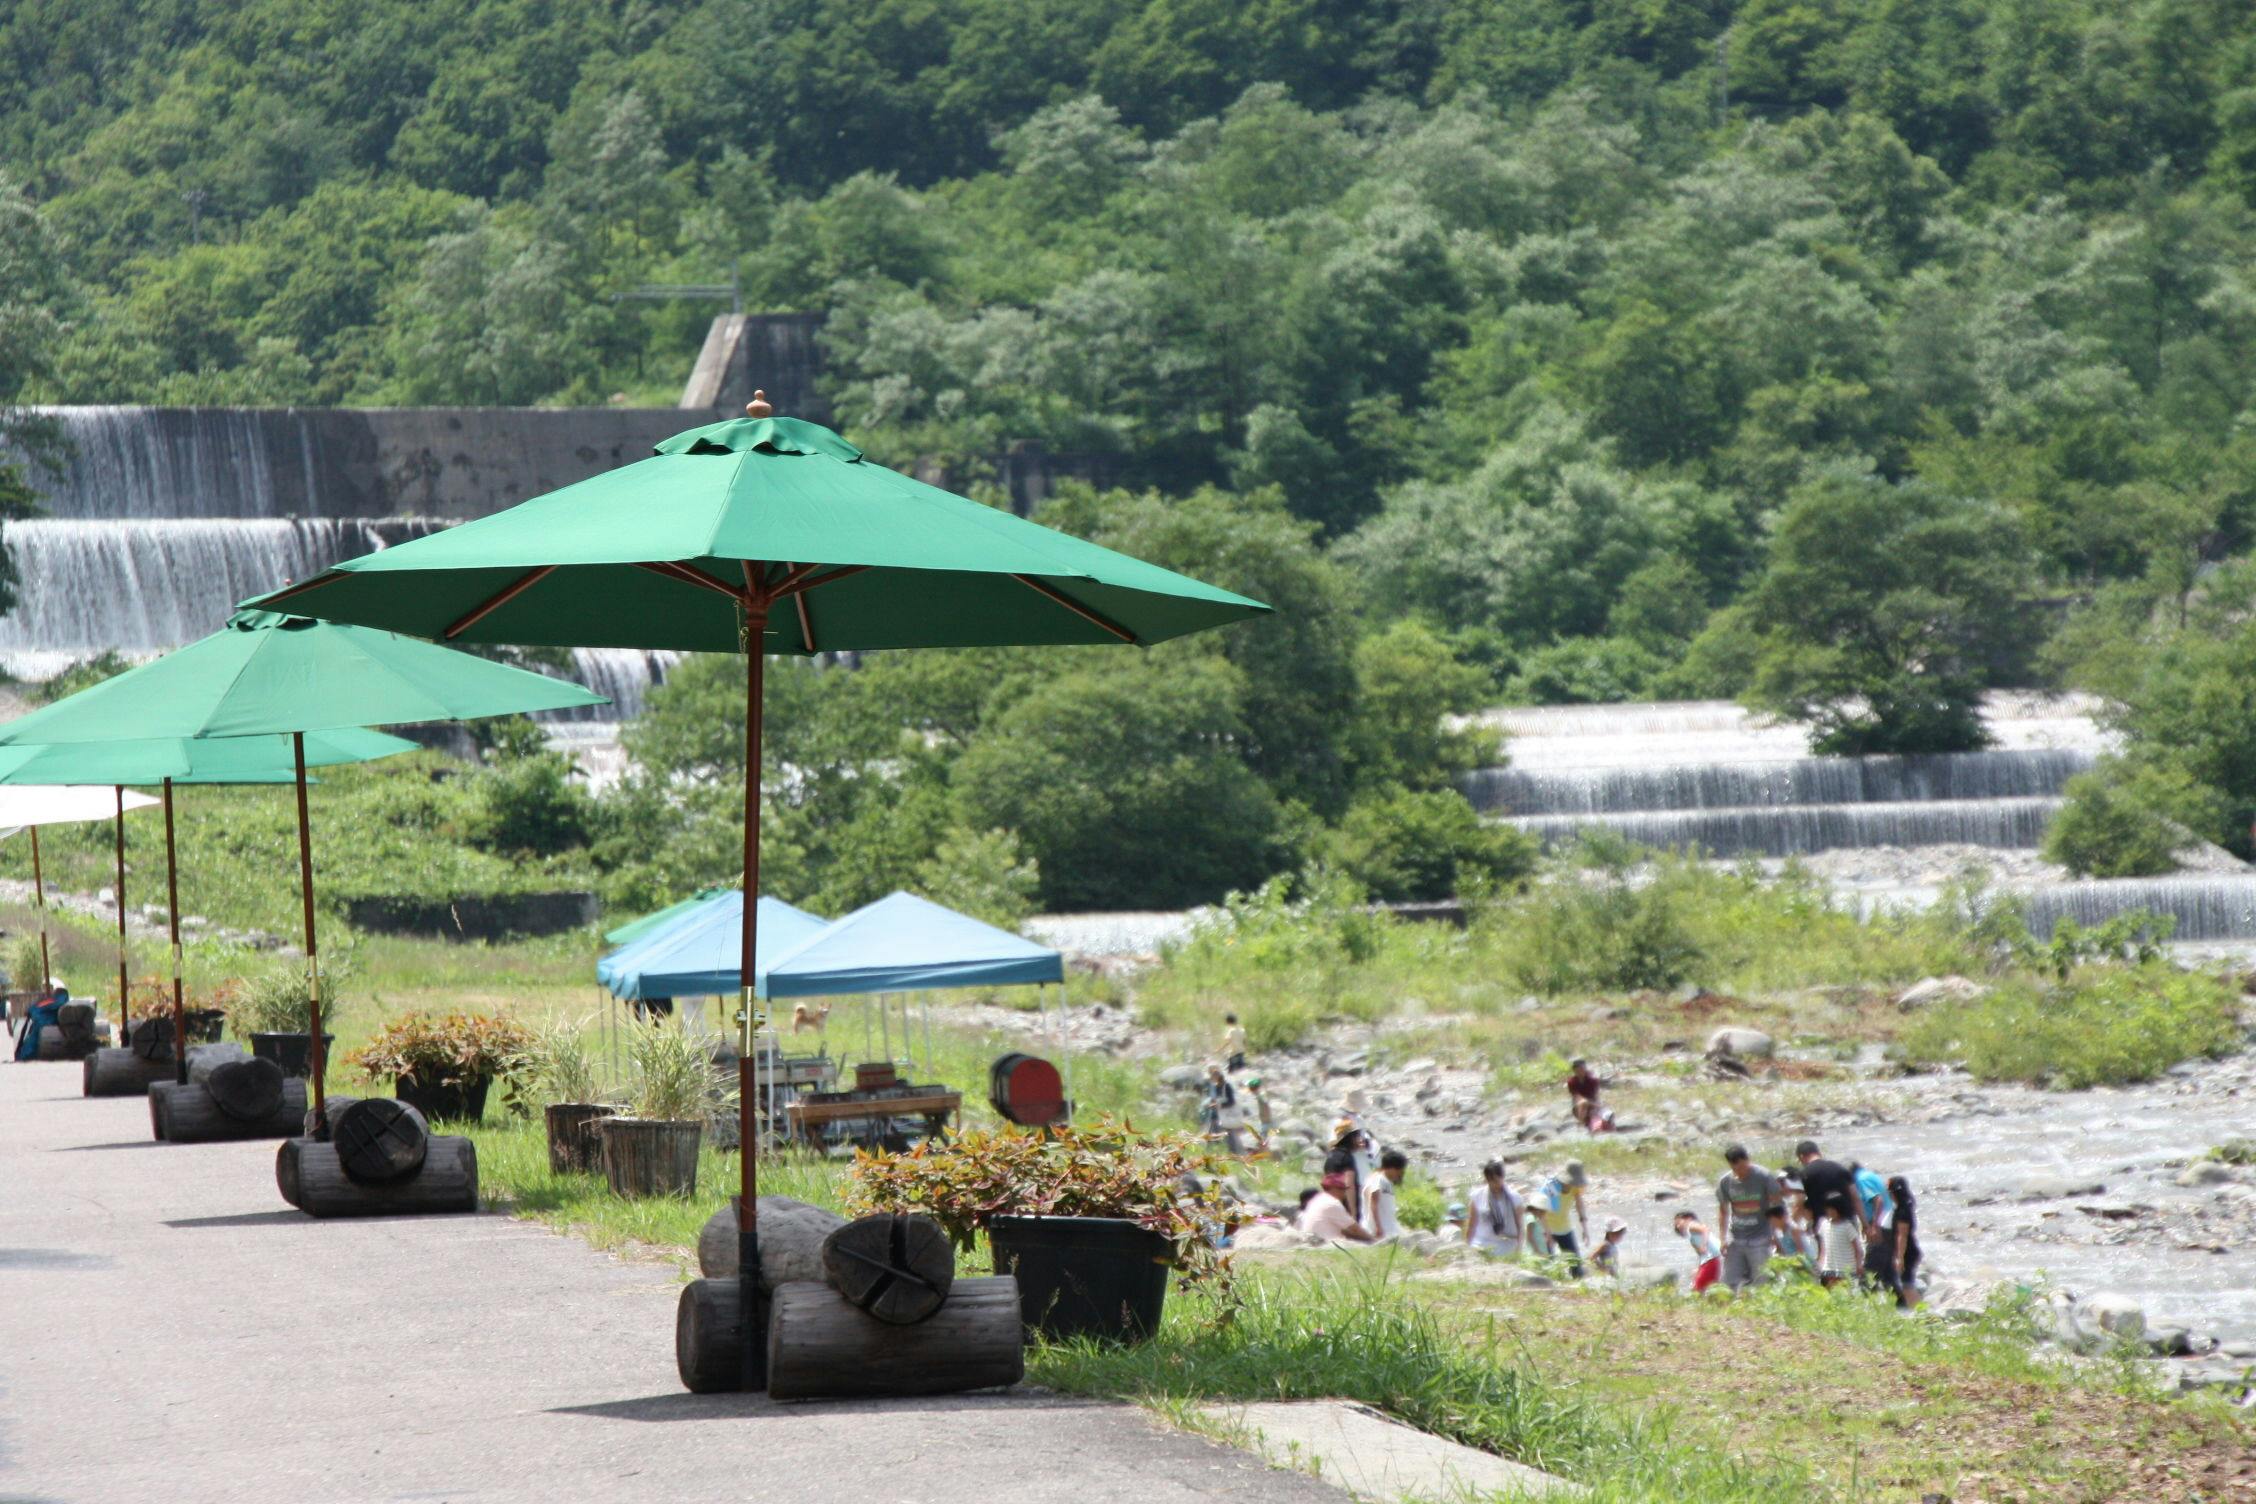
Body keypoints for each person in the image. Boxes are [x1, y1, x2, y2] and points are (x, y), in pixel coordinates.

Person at [1716, 1143, 1784, 1293]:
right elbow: (1723, 1210)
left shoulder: (1764, 1177)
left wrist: (1775, 1234)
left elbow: (1777, 1205)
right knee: (1729, 1281)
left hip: (1761, 1237)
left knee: (1762, 1280)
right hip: (1736, 1237)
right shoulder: (1726, 1182)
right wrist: (1722, 1238)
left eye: (1742, 1167)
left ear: (1748, 1160)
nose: (1740, 1172)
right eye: (1735, 1169)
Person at [1535, 1161, 1592, 1276]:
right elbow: (1540, 1212)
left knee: (1576, 1266)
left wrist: (1585, 1229)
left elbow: (1579, 1204)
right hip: (1545, 1228)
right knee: (1547, 1266)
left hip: (1564, 1228)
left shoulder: (1575, 1188)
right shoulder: (1550, 1188)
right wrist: (1548, 1235)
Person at [1297, 1167, 1375, 1243]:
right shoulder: (1332, 1203)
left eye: (1344, 1189)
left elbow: (1346, 1231)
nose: (1344, 1192)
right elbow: (1355, 1229)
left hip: (1312, 1241)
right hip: (1324, 1243)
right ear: (1332, 1188)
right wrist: (1373, 1241)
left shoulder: (1317, 1199)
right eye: (1341, 1188)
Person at [1465, 1161, 1525, 1257]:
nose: (1495, 1184)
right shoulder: (1477, 1196)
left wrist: (1519, 1249)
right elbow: (1471, 1225)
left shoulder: (1515, 1198)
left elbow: (1520, 1226)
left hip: (1507, 1246)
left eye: (1497, 1180)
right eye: (1491, 1180)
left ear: (1502, 1177)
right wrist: (1467, 1246)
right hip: (1482, 1243)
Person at [1794, 1141, 1859, 1227]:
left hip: (1824, 1226)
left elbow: (1799, 1204)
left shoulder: (1803, 1174)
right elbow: (1855, 1198)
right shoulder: (1840, 1168)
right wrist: (1865, 1225)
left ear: (1801, 1157)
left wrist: (1792, 1226)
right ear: (1818, 1153)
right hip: (1849, 1222)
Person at [1886, 1175, 1923, 1308]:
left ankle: (1921, 1312)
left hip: (1907, 1252)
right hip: (1910, 1250)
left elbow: (1902, 1235)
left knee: (1907, 1286)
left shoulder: (1902, 1211)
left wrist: (1899, 1258)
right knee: (1905, 1284)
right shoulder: (1905, 1206)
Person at [9, 979, 62, 1063]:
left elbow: (36, 1010)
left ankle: (26, 1054)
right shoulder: (54, 1000)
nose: (45, 990)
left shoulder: (53, 1000)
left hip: (41, 1023)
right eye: (44, 987)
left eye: (48, 987)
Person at [1815, 1202, 1862, 1288]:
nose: (1830, 1212)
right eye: (1828, 1209)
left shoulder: (1847, 1226)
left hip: (1845, 1269)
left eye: (1833, 1209)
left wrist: (1859, 1264)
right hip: (1829, 1269)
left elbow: (1858, 1249)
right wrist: (1819, 1265)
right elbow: (1822, 1249)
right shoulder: (1823, 1224)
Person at [1674, 1211, 1722, 1293]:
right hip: (1712, 1259)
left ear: (1688, 1219)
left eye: (1679, 1222)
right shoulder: (1692, 1237)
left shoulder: (1690, 1225)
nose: (1678, 1226)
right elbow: (1701, 1255)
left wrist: (1703, 1245)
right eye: (1676, 1225)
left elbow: (1705, 1229)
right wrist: (1699, 1269)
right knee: (1709, 1287)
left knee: (1698, 1289)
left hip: (1713, 1258)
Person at [1365, 1149, 1408, 1239]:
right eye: (1399, 1170)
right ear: (1392, 1168)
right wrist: (1378, 1227)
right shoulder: (1377, 1179)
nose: (1400, 1174)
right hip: (1381, 1228)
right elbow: (1373, 1203)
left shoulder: (1388, 1182)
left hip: (1390, 1226)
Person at [1850, 1161, 1894, 1237]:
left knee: (1874, 1248)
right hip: (1888, 1218)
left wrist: (1874, 1225)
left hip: (1881, 1222)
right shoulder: (1867, 1174)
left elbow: (1878, 1200)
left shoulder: (1861, 1180)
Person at [1766, 1204, 1817, 1269]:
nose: (1772, 1223)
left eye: (1773, 1220)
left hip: (1805, 1265)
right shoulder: (1778, 1233)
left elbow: (1801, 1252)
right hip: (1792, 1265)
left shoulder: (1793, 1230)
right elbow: (1782, 1252)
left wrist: (1798, 1266)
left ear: (1782, 1218)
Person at [1566, 1058, 1610, 1131]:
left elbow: (1595, 1096)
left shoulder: (1592, 1080)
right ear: (1574, 1070)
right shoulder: (1572, 1082)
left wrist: (1594, 1104)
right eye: (1578, 1070)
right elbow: (1576, 1096)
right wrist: (1584, 1102)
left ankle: (1583, 1125)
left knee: (1595, 1118)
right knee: (1582, 1103)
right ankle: (1582, 1124)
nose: (1581, 1071)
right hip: (1578, 1105)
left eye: (1582, 1069)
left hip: (1592, 1103)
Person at [1242, 1075, 1275, 1152]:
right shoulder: (1258, 1096)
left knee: (1263, 1141)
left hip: (1264, 1123)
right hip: (1262, 1122)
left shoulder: (1259, 1097)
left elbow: (1265, 1109)